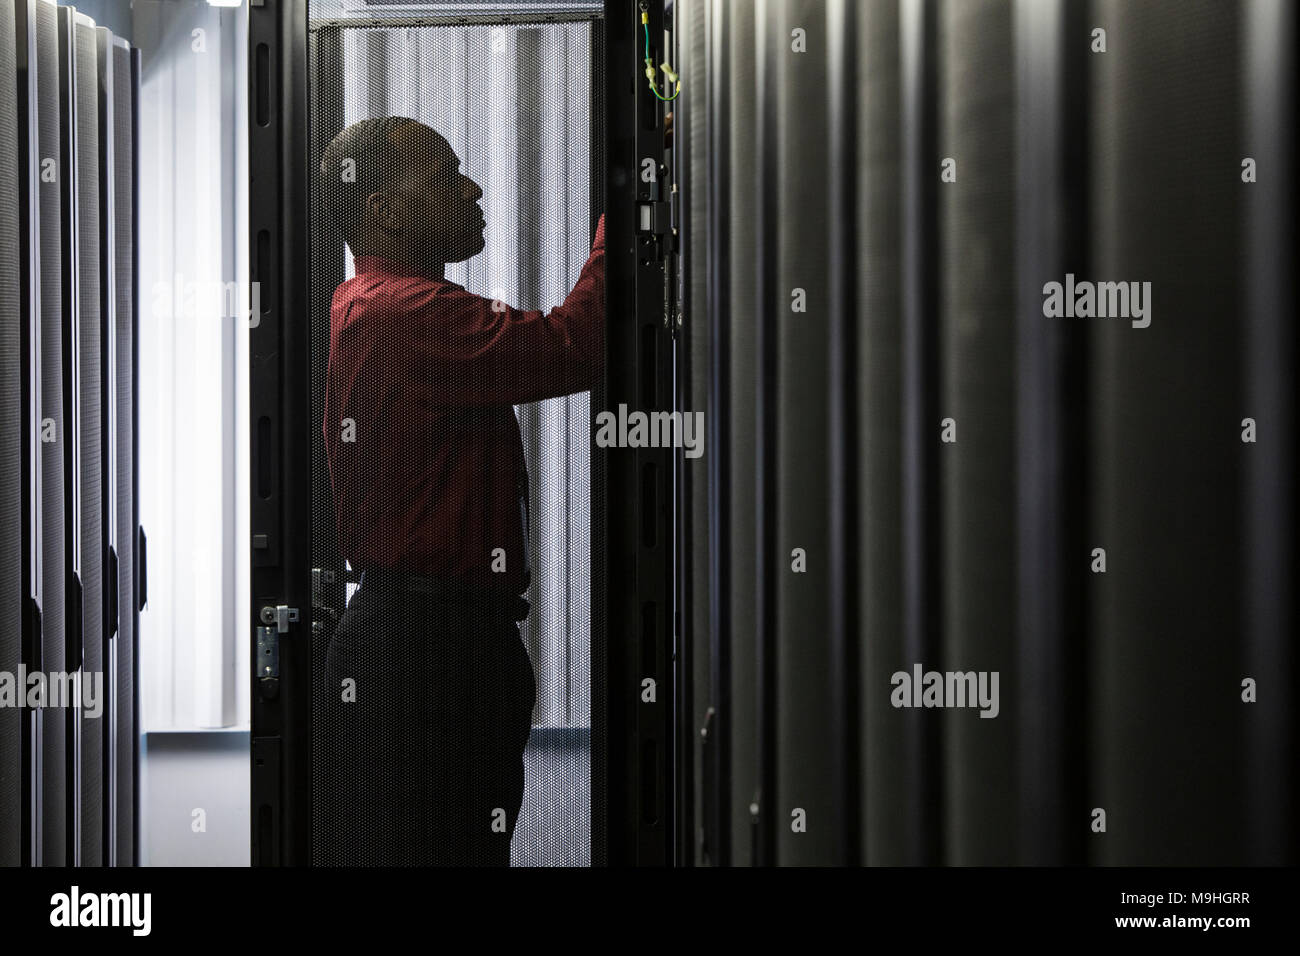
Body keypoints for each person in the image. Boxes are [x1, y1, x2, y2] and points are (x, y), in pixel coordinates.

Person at [315, 116, 604, 865]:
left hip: (432, 641)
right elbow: (577, 343)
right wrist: (620, 223)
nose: (473, 190)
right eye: (446, 177)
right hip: (425, 656)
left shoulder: (379, 305)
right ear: (386, 210)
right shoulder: (401, 312)